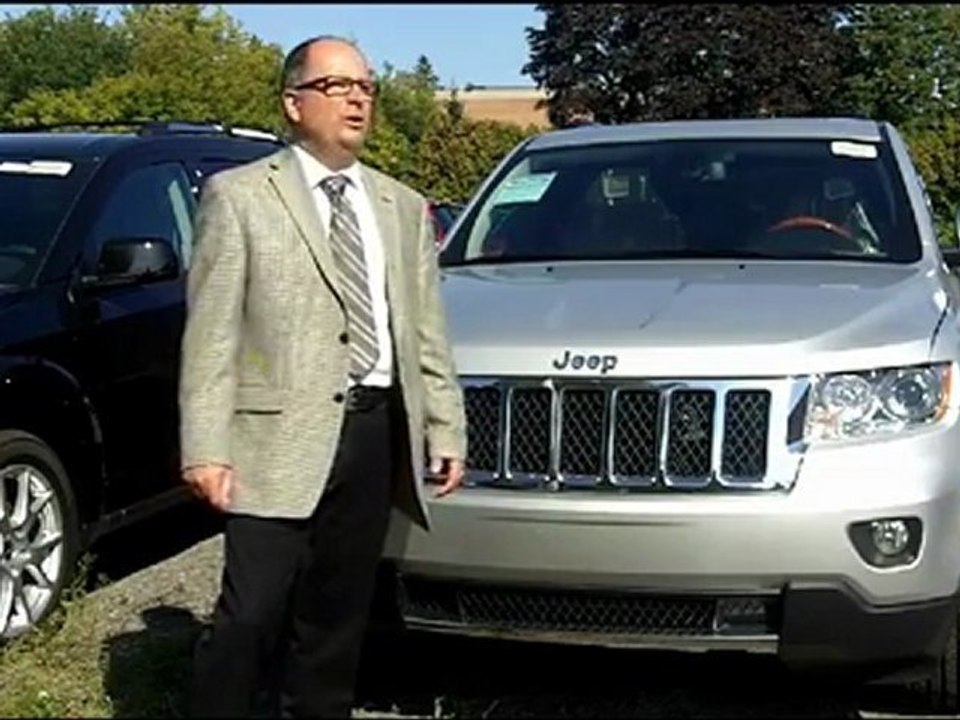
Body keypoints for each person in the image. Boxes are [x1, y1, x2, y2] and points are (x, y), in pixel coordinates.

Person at [178, 35, 467, 718]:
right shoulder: (241, 196)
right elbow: (212, 331)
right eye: (338, 87)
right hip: (272, 440)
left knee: (335, 622)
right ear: (294, 102)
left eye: (365, 86)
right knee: (249, 616)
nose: (358, 99)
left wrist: (443, 424)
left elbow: (424, 327)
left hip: (372, 433)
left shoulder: (400, 206)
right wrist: (205, 446)